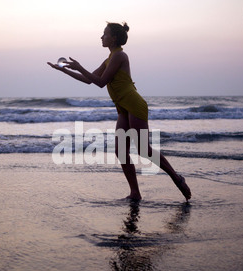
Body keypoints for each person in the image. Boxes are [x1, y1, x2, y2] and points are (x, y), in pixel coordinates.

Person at [47, 22, 191, 202]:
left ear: (113, 38)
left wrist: (80, 66)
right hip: (122, 108)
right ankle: (135, 193)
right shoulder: (109, 59)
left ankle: (177, 178)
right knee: (121, 150)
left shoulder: (120, 56)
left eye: (104, 34)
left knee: (144, 150)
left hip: (133, 104)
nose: (101, 37)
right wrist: (64, 71)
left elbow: (101, 82)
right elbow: (88, 80)